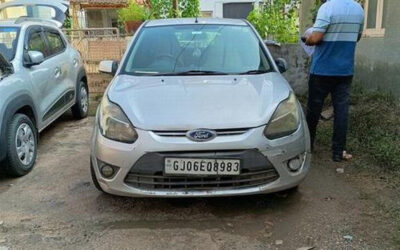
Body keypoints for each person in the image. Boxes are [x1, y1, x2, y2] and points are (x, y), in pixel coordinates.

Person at [304, 0, 364, 162]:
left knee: (313, 110)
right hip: (345, 71)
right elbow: (357, 37)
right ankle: (338, 152)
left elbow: (316, 38)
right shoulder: (359, 9)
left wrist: (307, 39)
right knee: (341, 111)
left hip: (322, 70)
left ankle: (307, 147)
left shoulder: (327, 8)